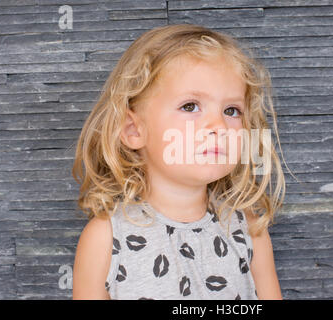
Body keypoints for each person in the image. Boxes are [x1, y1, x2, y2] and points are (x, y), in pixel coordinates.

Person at [71, 24, 286, 300]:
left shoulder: (249, 230)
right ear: (134, 130)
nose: (219, 125)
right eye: (190, 106)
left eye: (231, 110)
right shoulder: (104, 238)